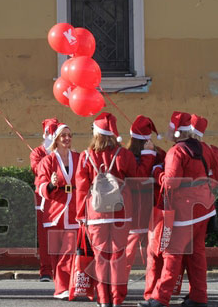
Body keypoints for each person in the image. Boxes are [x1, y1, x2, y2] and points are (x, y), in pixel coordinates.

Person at [140, 112, 218, 307]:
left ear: (176, 132)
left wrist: (157, 171)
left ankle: (160, 298)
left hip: (184, 214)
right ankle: (199, 297)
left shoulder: (176, 152)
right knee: (196, 253)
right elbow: (217, 162)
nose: (167, 131)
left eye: (169, 128)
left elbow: (171, 183)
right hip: (205, 210)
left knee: (172, 255)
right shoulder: (204, 148)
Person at [75, 112, 137, 307]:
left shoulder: (86, 156)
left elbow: (81, 188)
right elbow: (135, 182)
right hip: (121, 212)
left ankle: (104, 300)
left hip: (96, 214)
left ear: (96, 133)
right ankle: (117, 298)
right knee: (118, 257)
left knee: (101, 258)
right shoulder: (125, 155)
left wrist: (80, 215)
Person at [35, 123, 80, 299]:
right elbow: (40, 185)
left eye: (69, 135)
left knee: (69, 251)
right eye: (63, 135)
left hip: (74, 211)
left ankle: (68, 287)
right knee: (55, 254)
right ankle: (61, 289)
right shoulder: (48, 161)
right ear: (56, 139)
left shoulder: (78, 157)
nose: (67, 138)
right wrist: (52, 184)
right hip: (55, 211)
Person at [124, 116, 165, 277]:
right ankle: (153, 285)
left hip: (146, 208)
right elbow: (138, 178)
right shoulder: (127, 155)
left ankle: (119, 288)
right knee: (143, 249)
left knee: (146, 249)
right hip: (140, 209)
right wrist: (149, 155)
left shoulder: (159, 154)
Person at [29, 118, 61, 282]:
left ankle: (60, 270)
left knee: (62, 237)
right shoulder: (37, 153)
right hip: (44, 200)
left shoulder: (64, 152)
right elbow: (37, 169)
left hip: (61, 200)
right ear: (45, 133)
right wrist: (49, 157)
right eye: (50, 132)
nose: (52, 135)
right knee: (45, 238)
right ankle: (46, 271)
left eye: (55, 132)